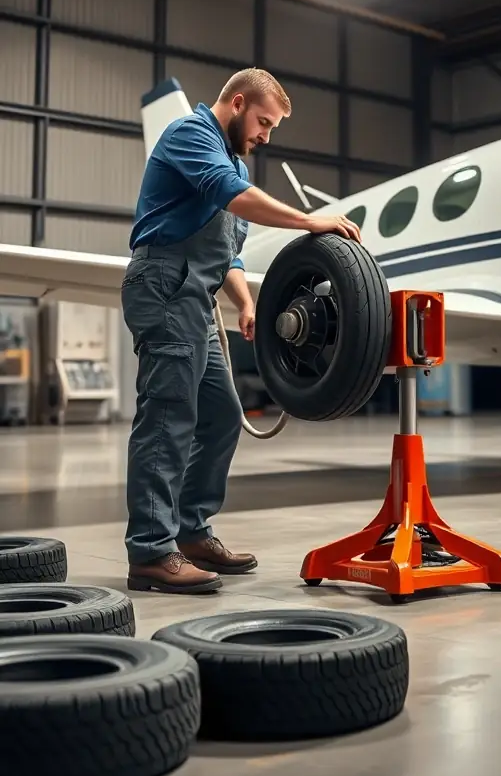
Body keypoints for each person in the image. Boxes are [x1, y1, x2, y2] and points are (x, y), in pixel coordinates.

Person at [121, 68, 361, 594]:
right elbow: (226, 194)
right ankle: (151, 552)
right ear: (236, 102)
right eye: (263, 122)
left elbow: (226, 255)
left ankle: (191, 530)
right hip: (164, 284)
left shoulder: (232, 161)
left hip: (197, 300)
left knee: (223, 415)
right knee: (168, 417)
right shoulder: (192, 135)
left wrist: (246, 301)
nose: (266, 136)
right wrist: (308, 221)